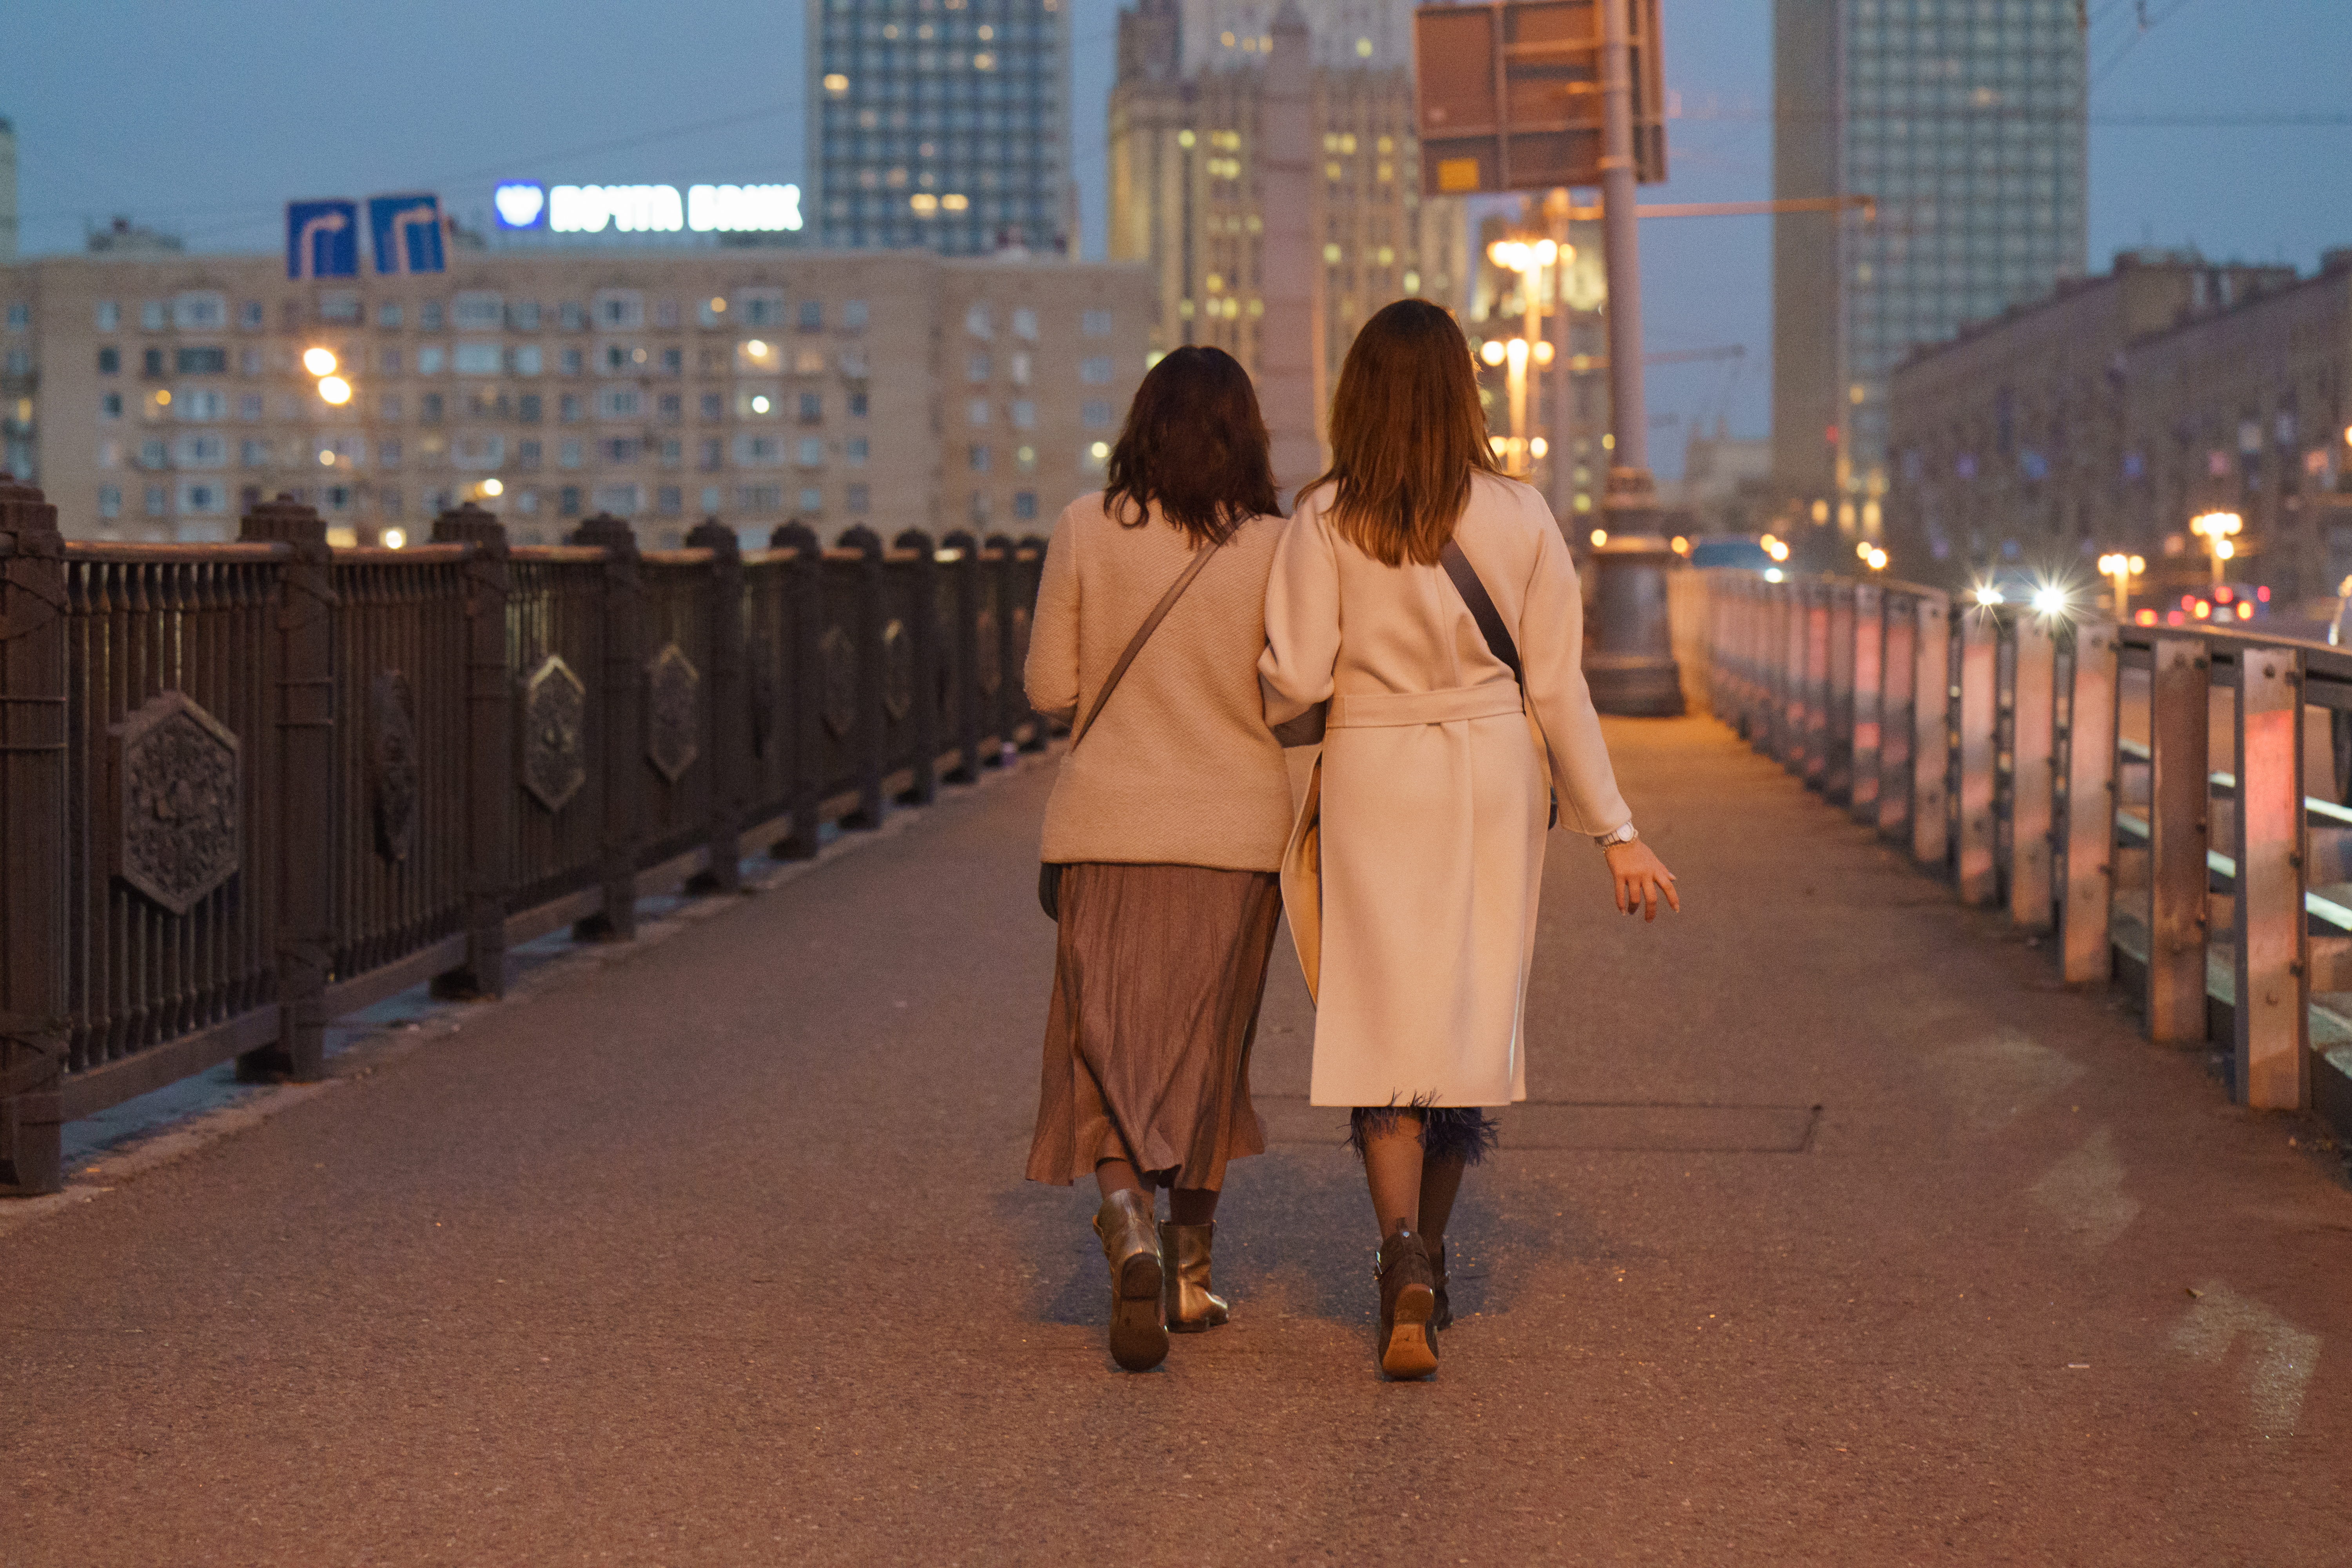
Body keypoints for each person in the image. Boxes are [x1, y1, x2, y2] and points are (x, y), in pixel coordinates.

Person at [1259, 299, 1680, 1380]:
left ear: (1358, 395)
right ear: (1464, 393)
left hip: (1375, 773)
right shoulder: (1523, 512)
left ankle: (1398, 1251)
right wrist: (1617, 833)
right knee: (1465, 1015)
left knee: (1382, 1017)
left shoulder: (1324, 518)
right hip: (1492, 777)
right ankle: (1431, 1255)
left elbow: (1297, 680)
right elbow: (1557, 687)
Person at [1023, 345, 1297, 1374]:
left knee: (1102, 1039)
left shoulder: (1086, 529)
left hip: (1105, 830)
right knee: (1207, 1050)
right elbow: (1298, 691)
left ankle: (1126, 1222)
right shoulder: (1276, 546)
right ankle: (1187, 1273)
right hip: (1237, 837)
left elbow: (1052, 686)